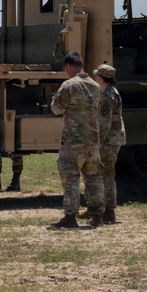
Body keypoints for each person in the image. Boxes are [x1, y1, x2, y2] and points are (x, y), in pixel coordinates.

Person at [49, 51, 104, 229]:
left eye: (66, 68)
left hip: (74, 140)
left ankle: (70, 216)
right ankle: (97, 216)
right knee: (94, 177)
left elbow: (57, 109)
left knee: (71, 176)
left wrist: (53, 101)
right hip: (93, 140)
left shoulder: (69, 85)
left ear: (69, 66)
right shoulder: (95, 85)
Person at [93, 63, 126, 225]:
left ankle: (107, 211)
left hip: (108, 141)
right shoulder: (110, 93)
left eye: (96, 75)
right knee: (107, 174)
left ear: (100, 77)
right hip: (112, 139)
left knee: (105, 175)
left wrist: (96, 145)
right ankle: (107, 211)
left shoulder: (107, 97)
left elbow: (104, 124)